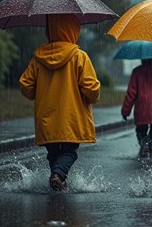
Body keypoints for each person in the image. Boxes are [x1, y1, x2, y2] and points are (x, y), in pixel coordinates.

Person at [19, 14, 100, 191]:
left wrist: (39, 91)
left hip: (47, 119)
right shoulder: (79, 56)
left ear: (49, 31)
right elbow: (91, 88)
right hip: (70, 118)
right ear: (73, 30)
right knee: (69, 152)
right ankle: (58, 175)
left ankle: (58, 179)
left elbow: (26, 86)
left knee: (53, 152)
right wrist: (92, 96)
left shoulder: (38, 58)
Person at [121, 58, 152, 158]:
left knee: (141, 130)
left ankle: (144, 145)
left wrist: (126, 110)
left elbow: (131, 93)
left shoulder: (137, 71)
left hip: (142, 108)